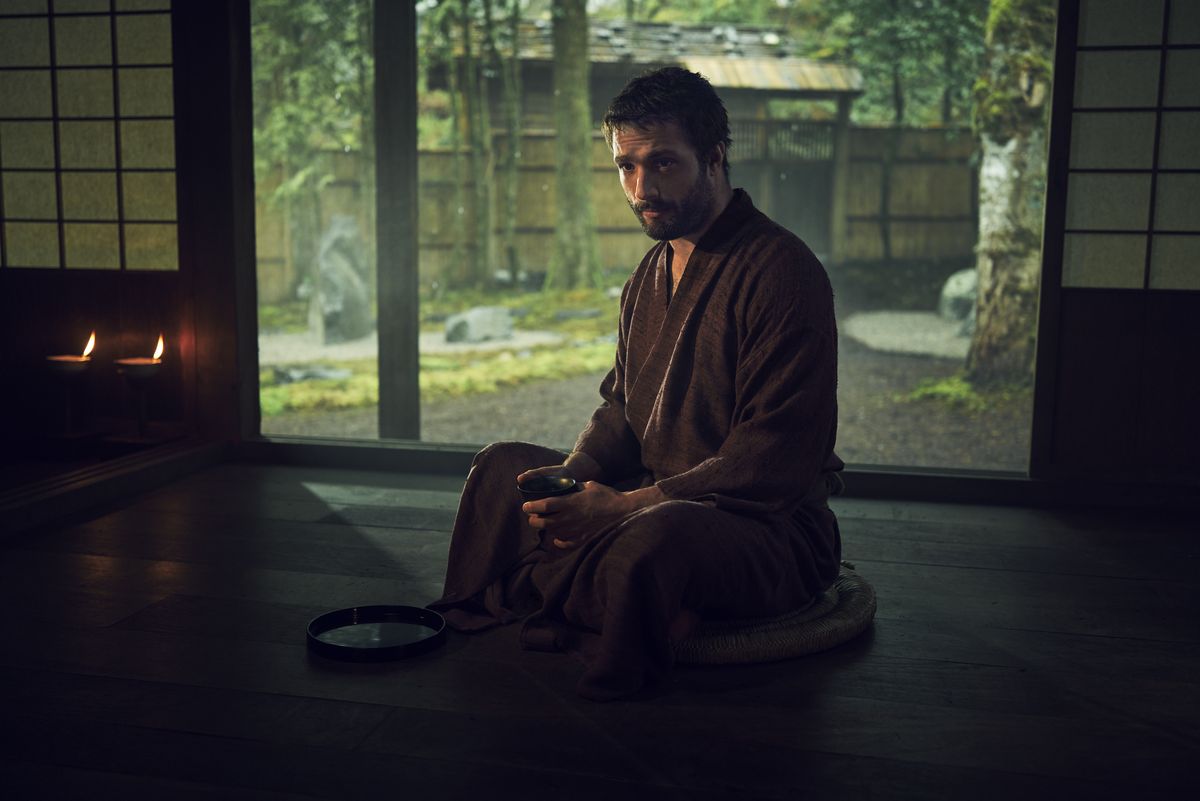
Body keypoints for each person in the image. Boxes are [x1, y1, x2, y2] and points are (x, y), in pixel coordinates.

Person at [429, 67, 843, 701]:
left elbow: (771, 462)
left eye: (663, 164)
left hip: (756, 525)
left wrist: (618, 510)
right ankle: (627, 597)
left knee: (656, 539)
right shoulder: (648, 274)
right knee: (499, 472)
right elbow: (621, 407)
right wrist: (571, 482)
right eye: (626, 166)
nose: (641, 187)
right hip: (648, 493)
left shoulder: (783, 272)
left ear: (714, 157)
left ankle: (583, 593)